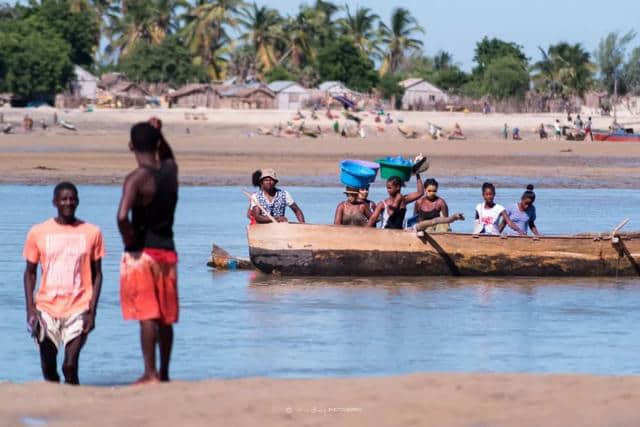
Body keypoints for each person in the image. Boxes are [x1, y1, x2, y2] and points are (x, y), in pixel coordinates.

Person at [23, 182, 105, 385]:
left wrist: (92, 313)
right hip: (46, 309)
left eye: (72, 199)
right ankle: (56, 406)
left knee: (69, 365)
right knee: (48, 368)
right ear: (55, 202)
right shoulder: (38, 232)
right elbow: (30, 274)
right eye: (64, 199)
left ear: (77, 201)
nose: (68, 203)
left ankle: (74, 402)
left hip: (78, 308)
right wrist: (30, 310)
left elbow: (98, 275)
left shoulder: (91, 232)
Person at [117, 118, 179, 384]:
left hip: (143, 254)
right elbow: (169, 155)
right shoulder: (170, 171)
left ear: (131, 145)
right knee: (165, 316)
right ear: (156, 143)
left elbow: (121, 217)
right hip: (168, 251)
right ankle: (164, 373)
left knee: (147, 315)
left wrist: (130, 240)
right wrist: (160, 135)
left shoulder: (136, 179)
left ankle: (149, 373)